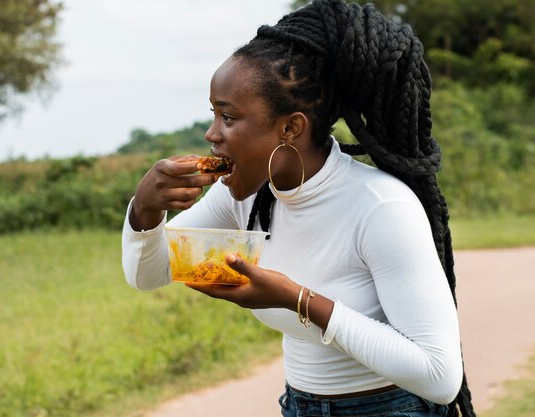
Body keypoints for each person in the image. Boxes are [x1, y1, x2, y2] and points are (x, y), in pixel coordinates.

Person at [122, 0, 476, 416]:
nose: (211, 133)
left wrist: (298, 299)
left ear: (290, 127)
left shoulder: (381, 208)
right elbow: (148, 275)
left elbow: (439, 375)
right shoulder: (245, 196)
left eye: (229, 118)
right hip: (298, 404)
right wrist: (144, 211)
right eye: (213, 114)